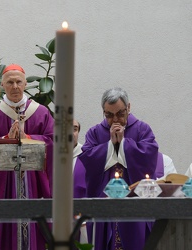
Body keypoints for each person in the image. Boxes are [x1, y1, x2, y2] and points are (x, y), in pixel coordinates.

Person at [0, 64, 54, 250]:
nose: (15, 86)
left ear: (25, 84)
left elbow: (53, 143)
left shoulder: (40, 112)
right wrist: (5, 140)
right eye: (10, 82)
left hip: (34, 187)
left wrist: (29, 139)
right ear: (2, 85)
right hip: (4, 187)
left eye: (18, 82)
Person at [75, 87, 160, 250]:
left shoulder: (142, 129)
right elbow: (88, 161)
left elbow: (148, 158)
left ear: (128, 107)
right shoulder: (95, 132)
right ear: (103, 111)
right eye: (109, 115)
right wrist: (110, 145)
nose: (116, 120)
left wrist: (123, 145)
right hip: (105, 204)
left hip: (135, 205)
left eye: (120, 114)